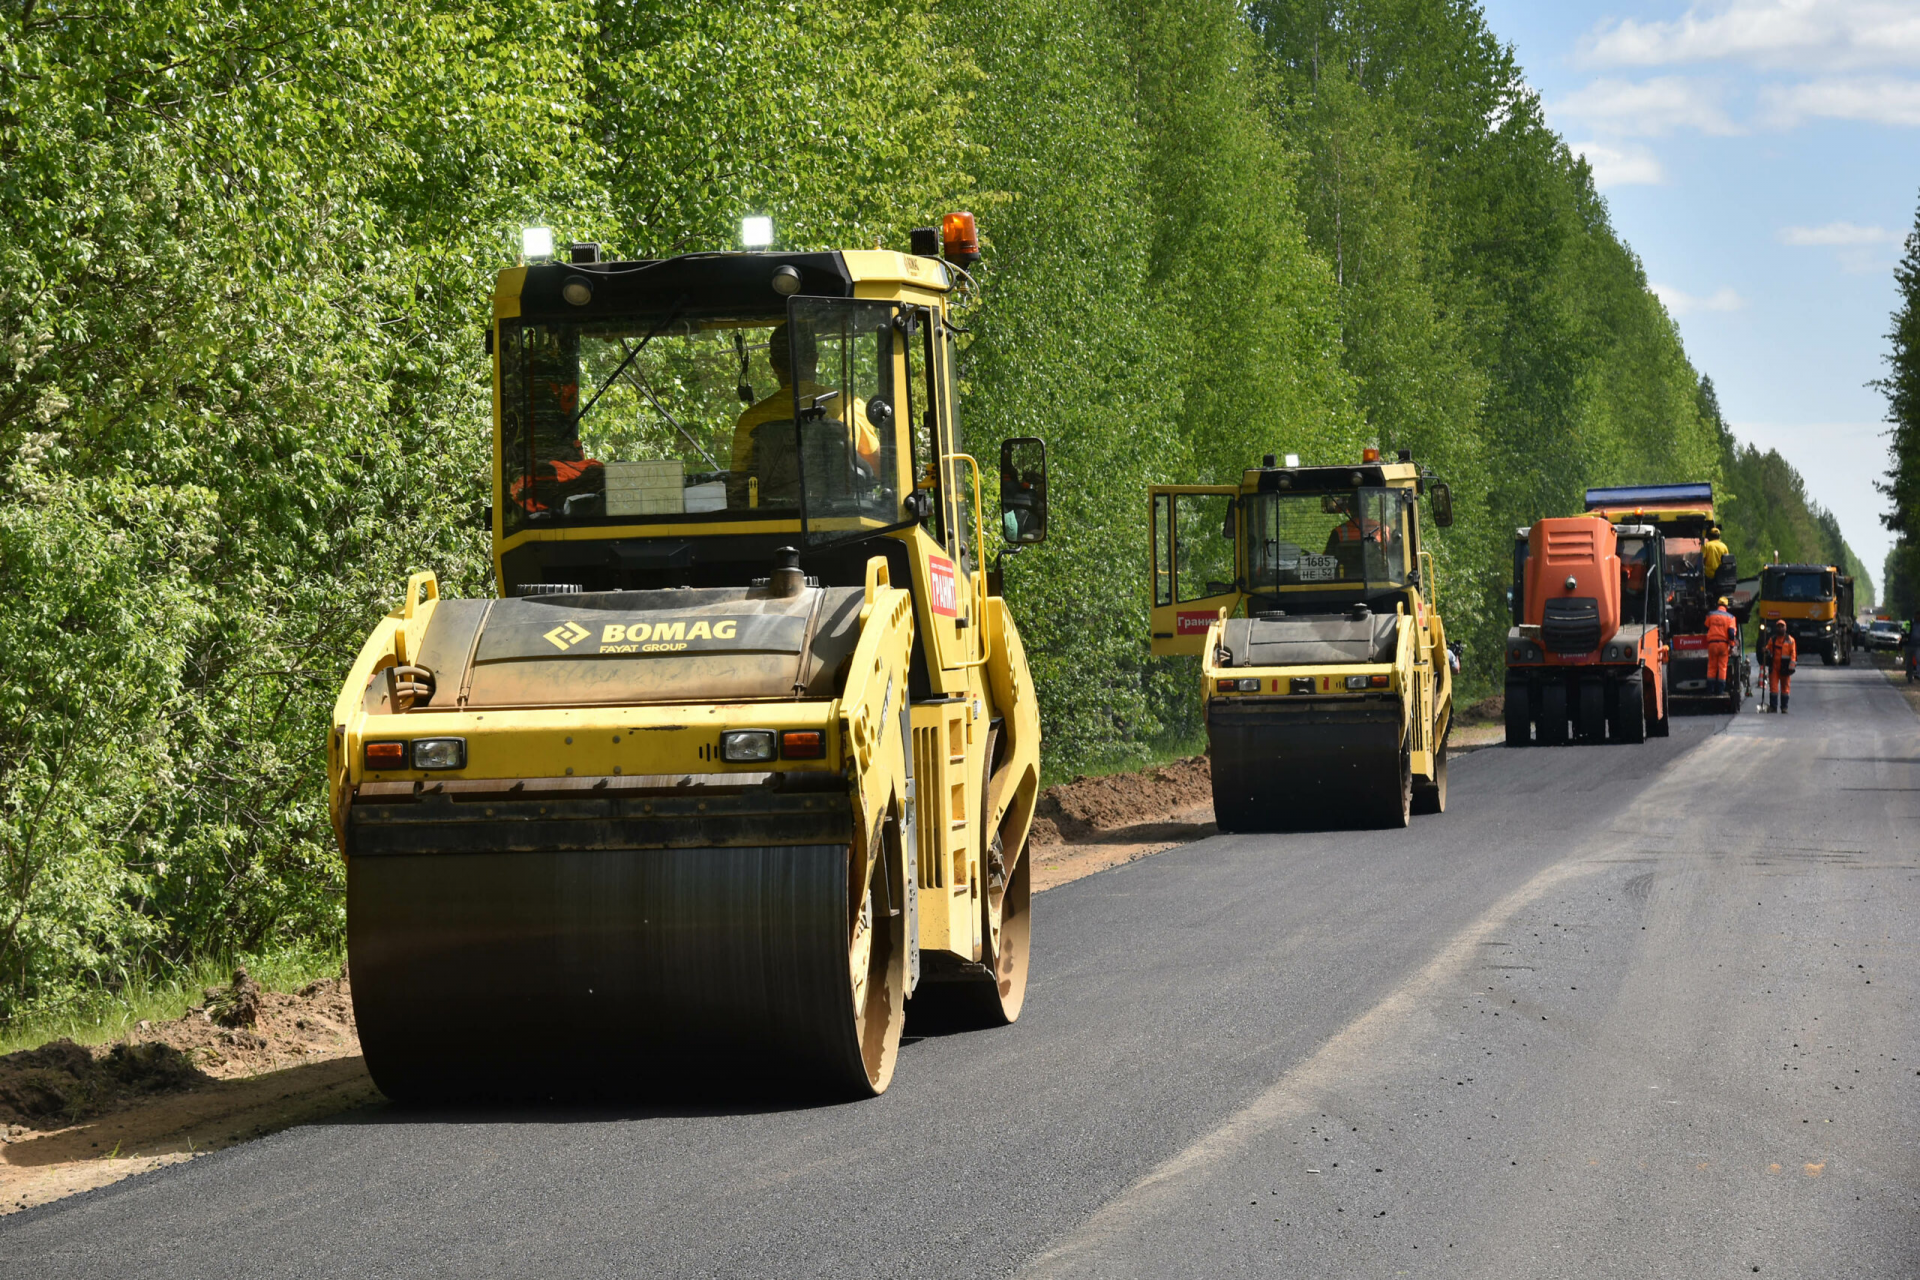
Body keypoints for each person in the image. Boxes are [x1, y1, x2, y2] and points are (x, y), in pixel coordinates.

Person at [730, 322, 879, 507]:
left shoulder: (751, 419)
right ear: (815, 360)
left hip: (769, 523)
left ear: (774, 365)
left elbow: (737, 486)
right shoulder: (850, 407)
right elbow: (877, 471)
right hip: (842, 522)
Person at [1704, 596, 1737, 698]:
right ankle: (1720, 690)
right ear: (1726, 606)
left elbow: (1706, 626)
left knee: (1711, 666)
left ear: (1718, 604)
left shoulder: (1710, 615)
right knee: (1722, 667)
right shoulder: (1731, 617)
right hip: (1723, 644)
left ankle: (1710, 690)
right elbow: (1731, 633)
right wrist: (1731, 645)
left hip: (1712, 644)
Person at [1768, 618, 1797, 714]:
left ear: (1785, 628)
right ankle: (1773, 707)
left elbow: (1793, 654)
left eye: (1782, 626)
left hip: (1785, 667)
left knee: (1785, 688)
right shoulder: (1772, 639)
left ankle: (1784, 707)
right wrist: (1765, 651)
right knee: (1773, 688)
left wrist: (1791, 667)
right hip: (1774, 667)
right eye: (1778, 626)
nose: (1780, 628)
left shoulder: (1790, 640)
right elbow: (1768, 650)